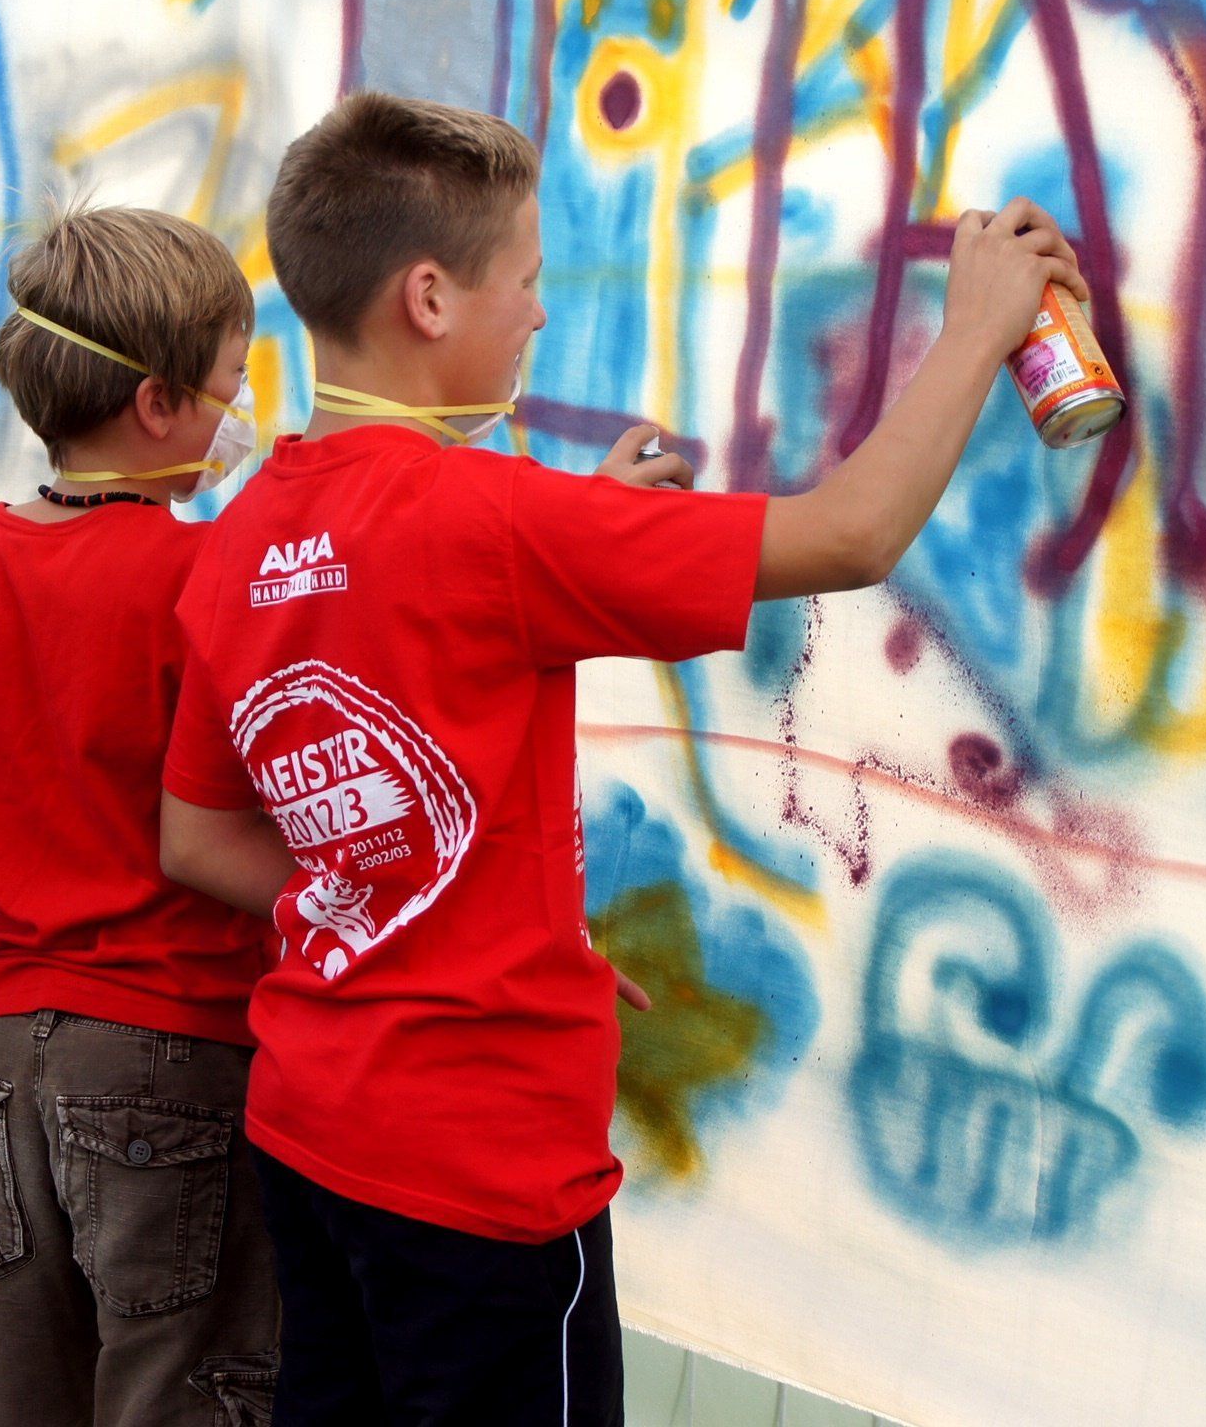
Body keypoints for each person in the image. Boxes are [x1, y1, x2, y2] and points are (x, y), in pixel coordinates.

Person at [158, 91, 1088, 1425]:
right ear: (430, 299)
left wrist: (442, 911)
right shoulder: (499, 519)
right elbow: (850, 535)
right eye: (525, 280)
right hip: (479, 1173)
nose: (539, 314)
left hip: (310, 1129)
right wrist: (981, 329)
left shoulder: (239, 539)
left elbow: (199, 837)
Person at [0, 204, 278, 1426]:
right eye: (228, 387)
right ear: (158, 403)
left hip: (0, 1054)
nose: (240, 416)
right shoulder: (201, 577)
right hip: (180, 1053)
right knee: (178, 1386)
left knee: (3, 1393)